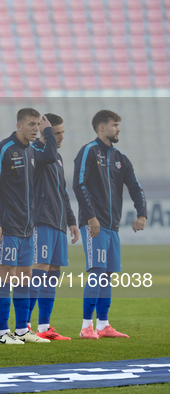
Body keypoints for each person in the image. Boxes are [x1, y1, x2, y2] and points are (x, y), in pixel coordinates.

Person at [0, 108, 56, 345]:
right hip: (8, 226)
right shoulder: (3, 149)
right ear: (19, 125)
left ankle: (22, 330)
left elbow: (52, 154)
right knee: (7, 276)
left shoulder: (33, 150)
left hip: (28, 228)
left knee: (26, 278)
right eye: (32, 124)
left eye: (38, 124)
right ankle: (2, 333)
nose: (36, 128)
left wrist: (49, 132)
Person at [73, 110, 147, 339]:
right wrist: (91, 217)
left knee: (107, 275)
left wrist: (141, 213)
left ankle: (103, 325)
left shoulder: (120, 158)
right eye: (115, 125)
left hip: (112, 226)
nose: (118, 129)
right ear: (102, 128)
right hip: (94, 225)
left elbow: (135, 187)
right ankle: (86, 326)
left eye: (118, 125)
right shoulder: (88, 151)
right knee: (96, 273)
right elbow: (79, 184)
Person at [27, 113, 80, 340]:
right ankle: (24, 326)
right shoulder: (35, 153)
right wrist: (46, 133)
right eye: (56, 133)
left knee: (54, 272)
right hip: (41, 220)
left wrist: (72, 221)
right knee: (39, 268)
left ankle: (44, 327)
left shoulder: (56, 157)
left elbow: (63, 191)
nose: (60, 137)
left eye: (61, 133)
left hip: (58, 222)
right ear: (43, 131)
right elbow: (46, 155)